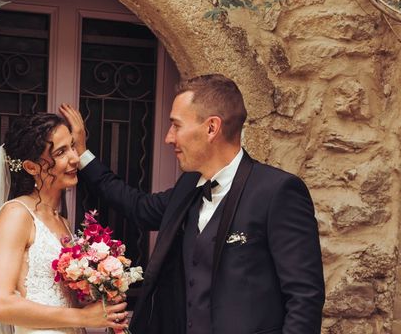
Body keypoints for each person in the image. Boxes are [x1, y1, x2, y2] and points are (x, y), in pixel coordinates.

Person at [60, 74, 325, 334]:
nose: (168, 138)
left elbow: (305, 298)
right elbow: (137, 207)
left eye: (176, 125)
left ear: (211, 128)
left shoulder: (277, 191)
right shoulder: (188, 188)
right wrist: (83, 155)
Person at [0, 112, 129, 334]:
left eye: (72, 146)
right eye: (60, 152)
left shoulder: (64, 222)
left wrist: (99, 298)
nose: (74, 158)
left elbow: (59, 301)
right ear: (31, 167)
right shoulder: (16, 215)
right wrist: (83, 316)